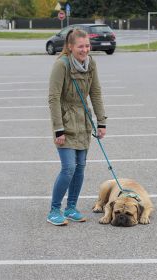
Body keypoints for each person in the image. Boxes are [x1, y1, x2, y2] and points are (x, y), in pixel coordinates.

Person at [47, 28, 107, 226]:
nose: (85, 50)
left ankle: (71, 207)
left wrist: (101, 121)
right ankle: (54, 209)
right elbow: (54, 98)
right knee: (68, 168)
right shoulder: (61, 65)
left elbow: (96, 92)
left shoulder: (91, 64)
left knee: (80, 168)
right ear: (70, 46)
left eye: (87, 45)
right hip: (65, 122)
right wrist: (58, 128)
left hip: (82, 121)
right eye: (80, 46)